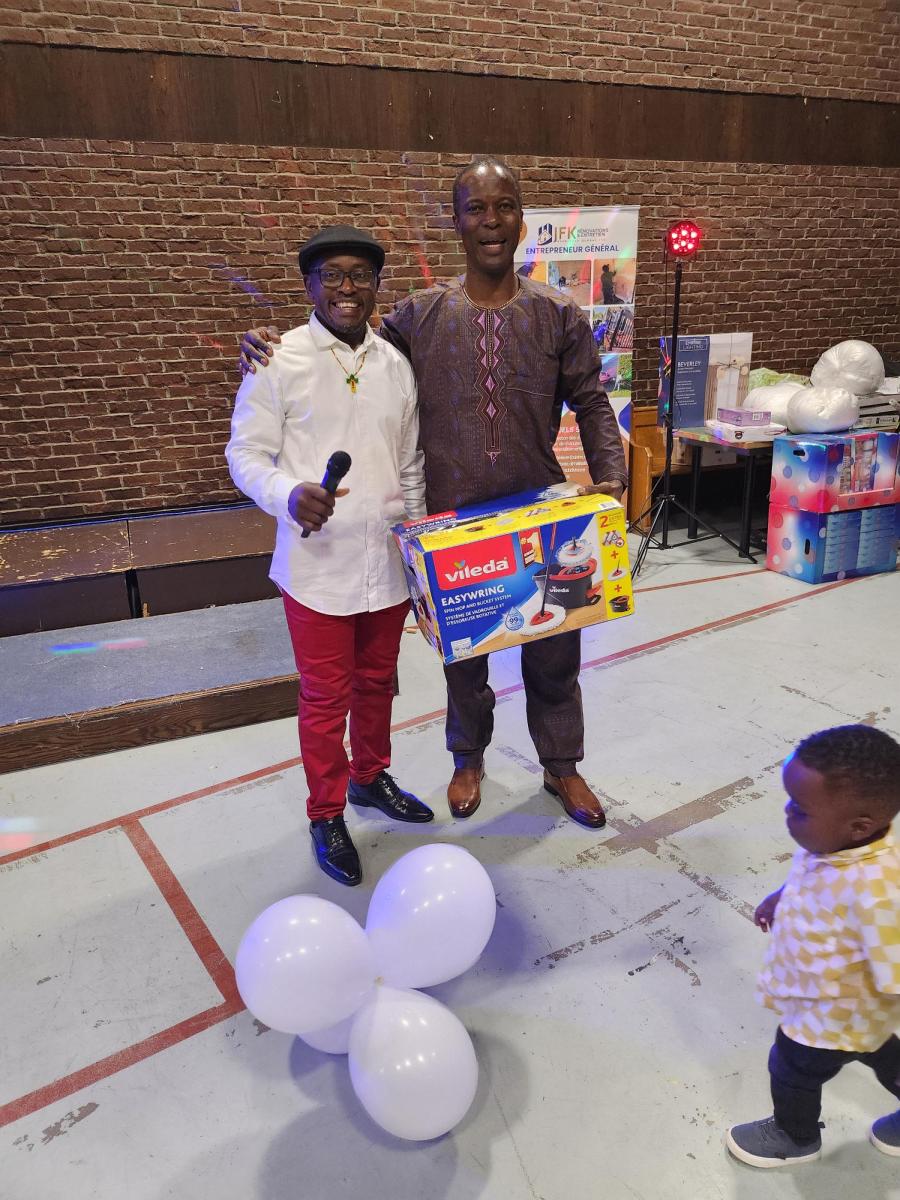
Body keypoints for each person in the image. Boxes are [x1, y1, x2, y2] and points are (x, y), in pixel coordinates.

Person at [239, 156, 628, 830]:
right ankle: (467, 759)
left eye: (504, 207)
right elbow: (347, 342)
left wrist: (612, 481)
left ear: (522, 220)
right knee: (465, 659)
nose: (491, 222)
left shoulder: (558, 313)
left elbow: (592, 402)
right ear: (456, 222)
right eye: (476, 208)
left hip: (542, 516)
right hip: (454, 525)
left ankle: (562, 765)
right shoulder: (420, 316)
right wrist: (270, 342)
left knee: (555, 648)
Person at [226, 224, 433, 888]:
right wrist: (288, 495)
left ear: (376, 286)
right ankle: (326, 812)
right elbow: (244, 454)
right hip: (317, 568)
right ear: (310, 285)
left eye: (360, 275)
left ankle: (370, 777)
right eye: (332, 276)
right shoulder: (277, 359)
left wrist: (418, 546)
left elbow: (410, 463)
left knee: (378, 683)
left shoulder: (394, 365)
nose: (347, 288)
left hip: (386, 562)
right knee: (325, 699)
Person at [726, 724, 900, 1168]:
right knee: (881, 1051)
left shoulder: (879, 891)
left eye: (800, 809)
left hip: (831, 1012)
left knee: (791, 1068)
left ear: (859, 825)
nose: (788, 812)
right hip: (844, 1007)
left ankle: (795, 1135)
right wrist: (780, 896)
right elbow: (811, 875)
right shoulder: (832, 844)